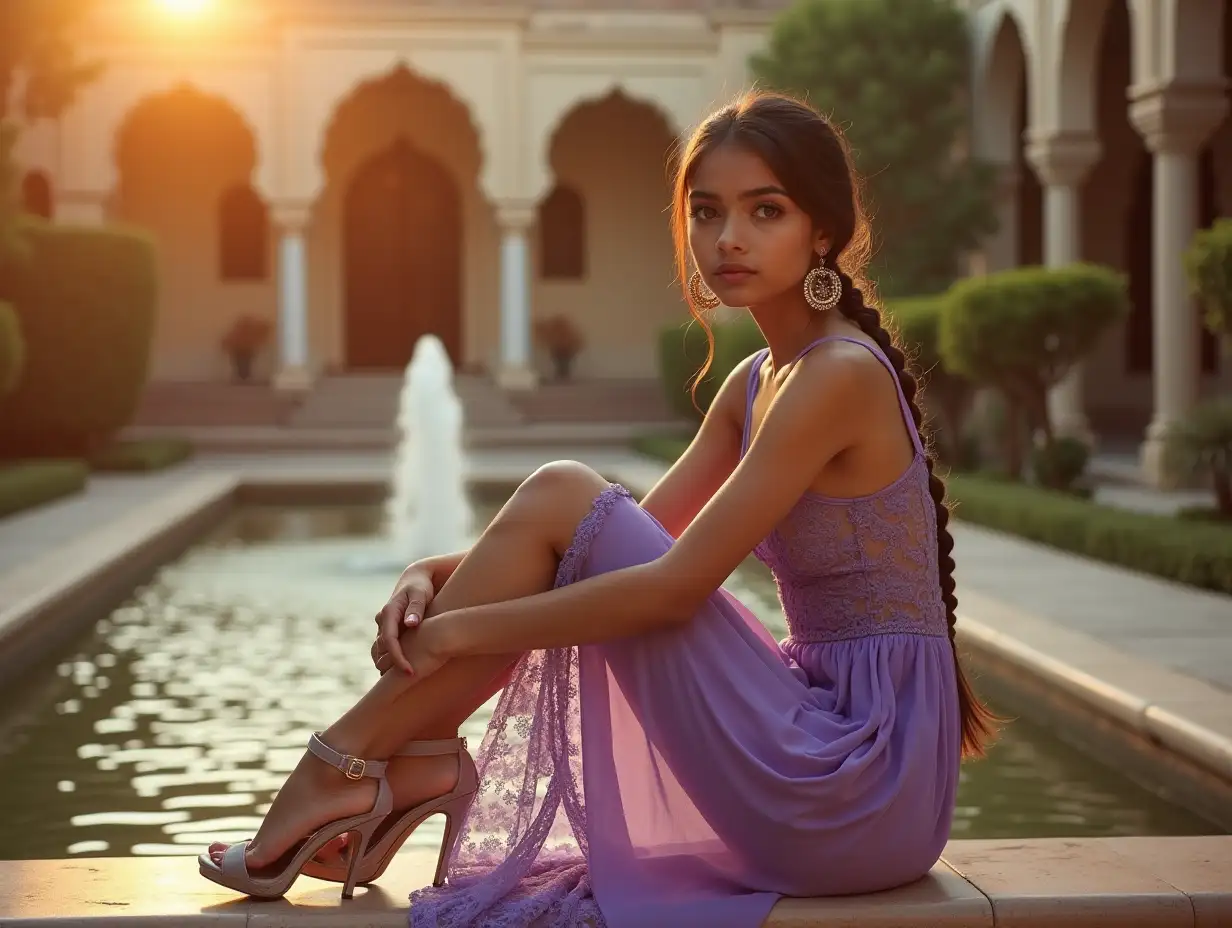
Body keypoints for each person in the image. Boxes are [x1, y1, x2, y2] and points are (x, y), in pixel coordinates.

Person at [199, 90, 996, 928]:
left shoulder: (838, 374)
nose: (728, 238)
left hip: (859, 792)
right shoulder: (757, 381)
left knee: (561, 486)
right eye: (706, 211)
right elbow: (597, 543)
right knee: (563, 497)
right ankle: (405, 765)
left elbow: (669, 590)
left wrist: (457, 630)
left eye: (766, 211)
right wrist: (432, 573)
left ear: (823, 230)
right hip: (819, 752)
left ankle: (346, 765)